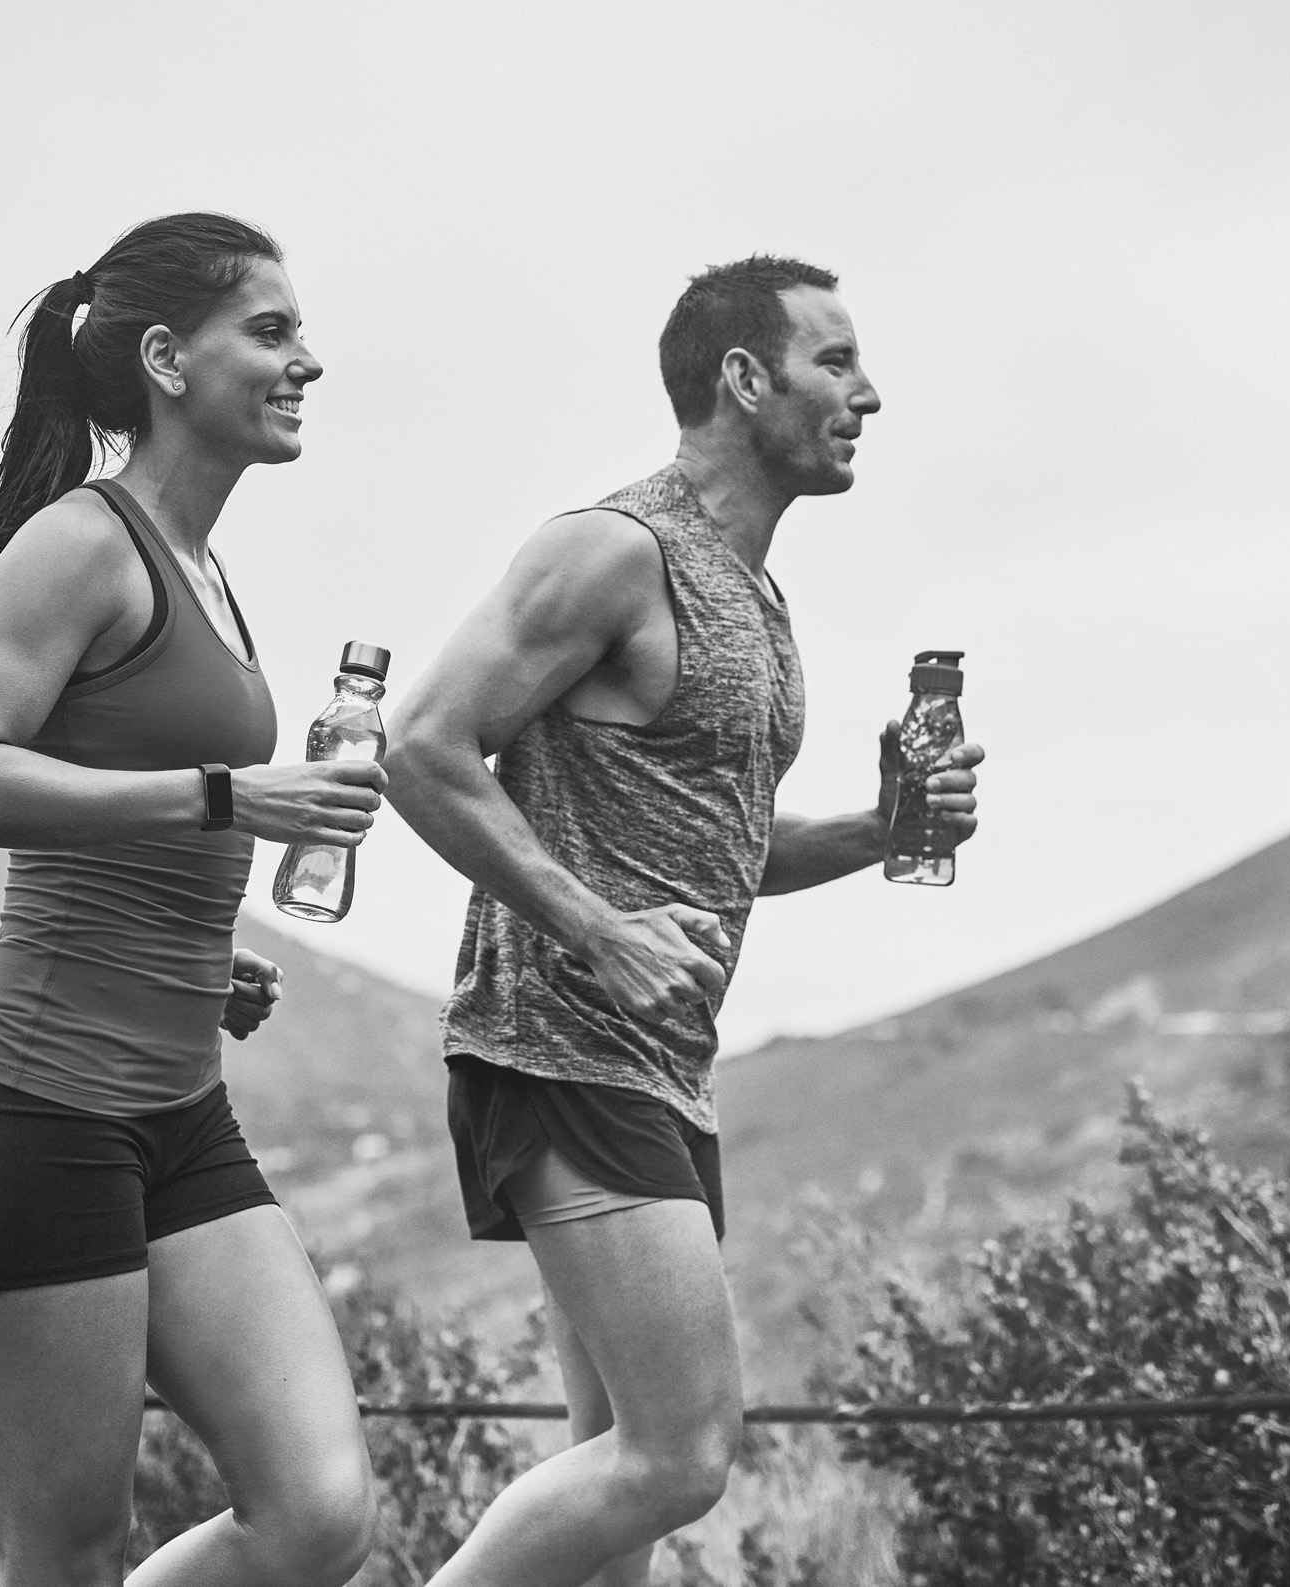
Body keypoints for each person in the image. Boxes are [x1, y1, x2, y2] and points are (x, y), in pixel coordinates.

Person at [387, 255, 984, 1587]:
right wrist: (596, 928)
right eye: (836, 362)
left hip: (659, 1068)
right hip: (560, 1043)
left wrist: (887, 831)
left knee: (622, 1523)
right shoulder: (613, 550)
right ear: (742, 378)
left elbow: (723, 850)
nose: (869, 394)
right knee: (679, 1454)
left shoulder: (758, 600)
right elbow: (422, 746)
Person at [0, 213, 381, 1587]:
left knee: (318, 1512)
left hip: (178, 1110)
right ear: (167, 357)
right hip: (35, 1116)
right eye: (272, 331)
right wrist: (232, 799)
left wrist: (200, 955)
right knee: (64, 1560)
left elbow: (109, 791)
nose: (309, 363)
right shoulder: (80, 543)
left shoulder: (207, 571)